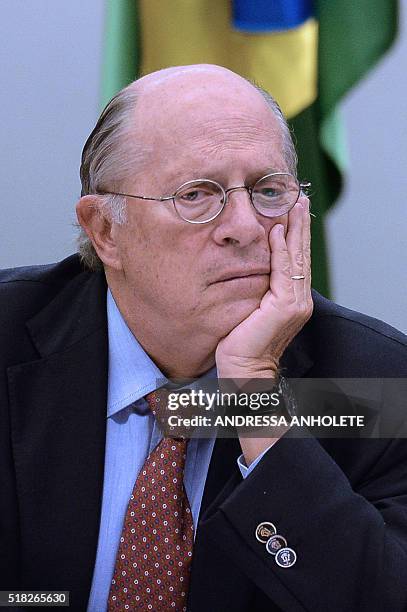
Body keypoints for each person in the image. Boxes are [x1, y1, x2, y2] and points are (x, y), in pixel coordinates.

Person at [1, 64, 406, 612]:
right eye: (196, 194)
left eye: (268, 190)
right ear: (105, 231)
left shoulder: (375, 384)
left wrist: (255, 393)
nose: (244, 226)